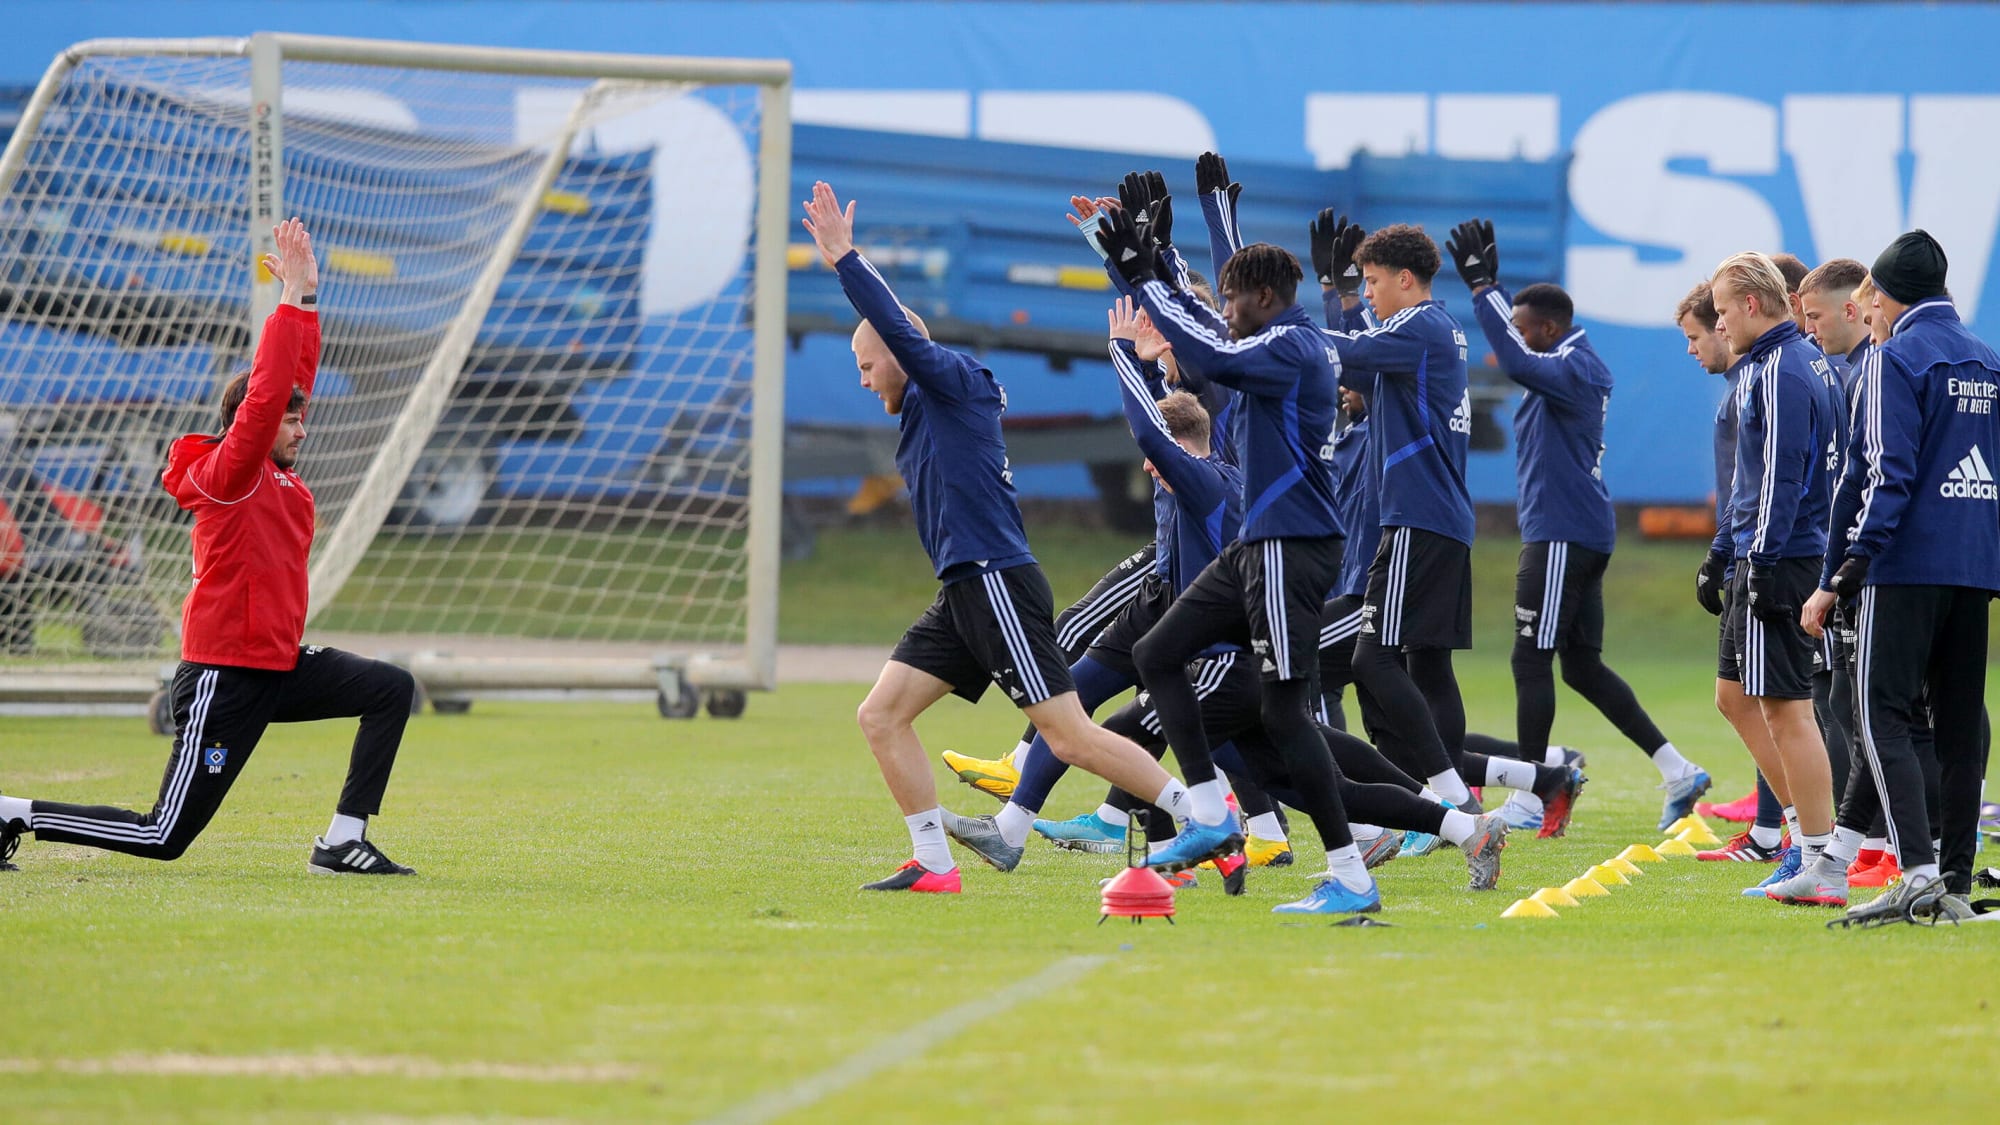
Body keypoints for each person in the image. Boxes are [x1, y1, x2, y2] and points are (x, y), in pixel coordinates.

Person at [797, 182, 1199, 894]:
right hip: (963, 588)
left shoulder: (951, 379)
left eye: (866, 365)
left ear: (898, 351)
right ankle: (935, 862)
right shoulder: (928, 402)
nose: (863, 381)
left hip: (995, 579)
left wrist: (846, 260)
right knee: (881, 715)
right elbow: (897, 338)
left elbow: (898, 327)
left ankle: (1196, 818)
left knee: (1070, 735)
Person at [0, 219, 419, 877]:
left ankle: (340, 841)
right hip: (224, 675)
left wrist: (306, 297)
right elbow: (269, 388)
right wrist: (287, 304)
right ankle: (11, 811)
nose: (303, 429)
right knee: (163, 833)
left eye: (302, 417)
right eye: (291, 417)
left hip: (273, 665)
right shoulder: (234, 471)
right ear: (250, 422)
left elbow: (290, 377)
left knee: (390, 688)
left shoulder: (277, 477)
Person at [1105, 205, 1378, 915]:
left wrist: (1146, 273)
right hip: (1257, 545)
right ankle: (1210, 811)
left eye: (1231, 297)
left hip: (1292, 546)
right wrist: (1144, 265)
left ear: (1264, 299)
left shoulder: (1292, 346)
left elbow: (1211, 354)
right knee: (1158, 652)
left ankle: (1351, 873)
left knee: (1288, 717)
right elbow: (1198, 335)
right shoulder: (1277, 341)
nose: (1222, 308)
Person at [1320, 221, 1585, 836]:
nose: (1373, 293)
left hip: (1417, 518)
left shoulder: (1419, 326)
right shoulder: (1430, 330)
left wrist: (1296, 320)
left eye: (1376, 282)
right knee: (1428, 667)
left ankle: (1451, 803)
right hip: (1438, 518)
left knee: (1373, 659)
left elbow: (1350, 354)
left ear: (1405, 280)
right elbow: (1358, 362)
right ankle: (1511, 785)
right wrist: (1340, 294)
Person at [1448, 219, 1707, 833]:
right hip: (1574, 530)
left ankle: (1531, 793)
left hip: (1562, 534)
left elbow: (1511, 360)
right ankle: (1677, 769)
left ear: (1549, 328)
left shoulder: (1572, 364)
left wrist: (1483, 288)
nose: (1509, 339)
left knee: (1528, 659)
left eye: (1521, 326)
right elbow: (1517, 358)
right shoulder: (1567, 360)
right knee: (1580, 666)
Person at [1805, 230, 2000, 925]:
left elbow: (1886, 474)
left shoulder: (1894, 359)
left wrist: (1843, 572)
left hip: (1905, 564)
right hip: (1975, 568)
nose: (1870, 317)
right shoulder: (1986, 358)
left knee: (1877, 711)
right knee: (1957, 728)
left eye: (1871, 303)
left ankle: (1915, 871)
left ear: (1882, 298)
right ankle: (1950, 880)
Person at [1701, 251, 1845, 905]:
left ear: (1753, 305)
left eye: (1724, 308)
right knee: (1734, 697)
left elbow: (1784, 477)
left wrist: (1758, 561)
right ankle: (1800, 838)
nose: (1720, 320)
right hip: (1760, 550)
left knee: (1787, 707)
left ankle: (1820, 855)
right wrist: (1721, 551)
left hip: (1781, 558)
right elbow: (1750, 480)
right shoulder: (1772, 362)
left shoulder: (1784, 366)